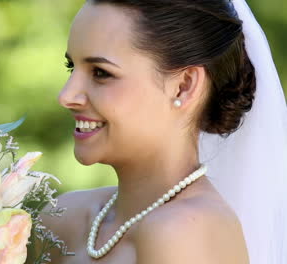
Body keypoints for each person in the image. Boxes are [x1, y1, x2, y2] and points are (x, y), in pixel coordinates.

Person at [41, 0, 287, 263]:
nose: (66, 96)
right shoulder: (63, 219)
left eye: (101, 73)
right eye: (71, 68)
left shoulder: (185, 232)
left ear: (184, 85)